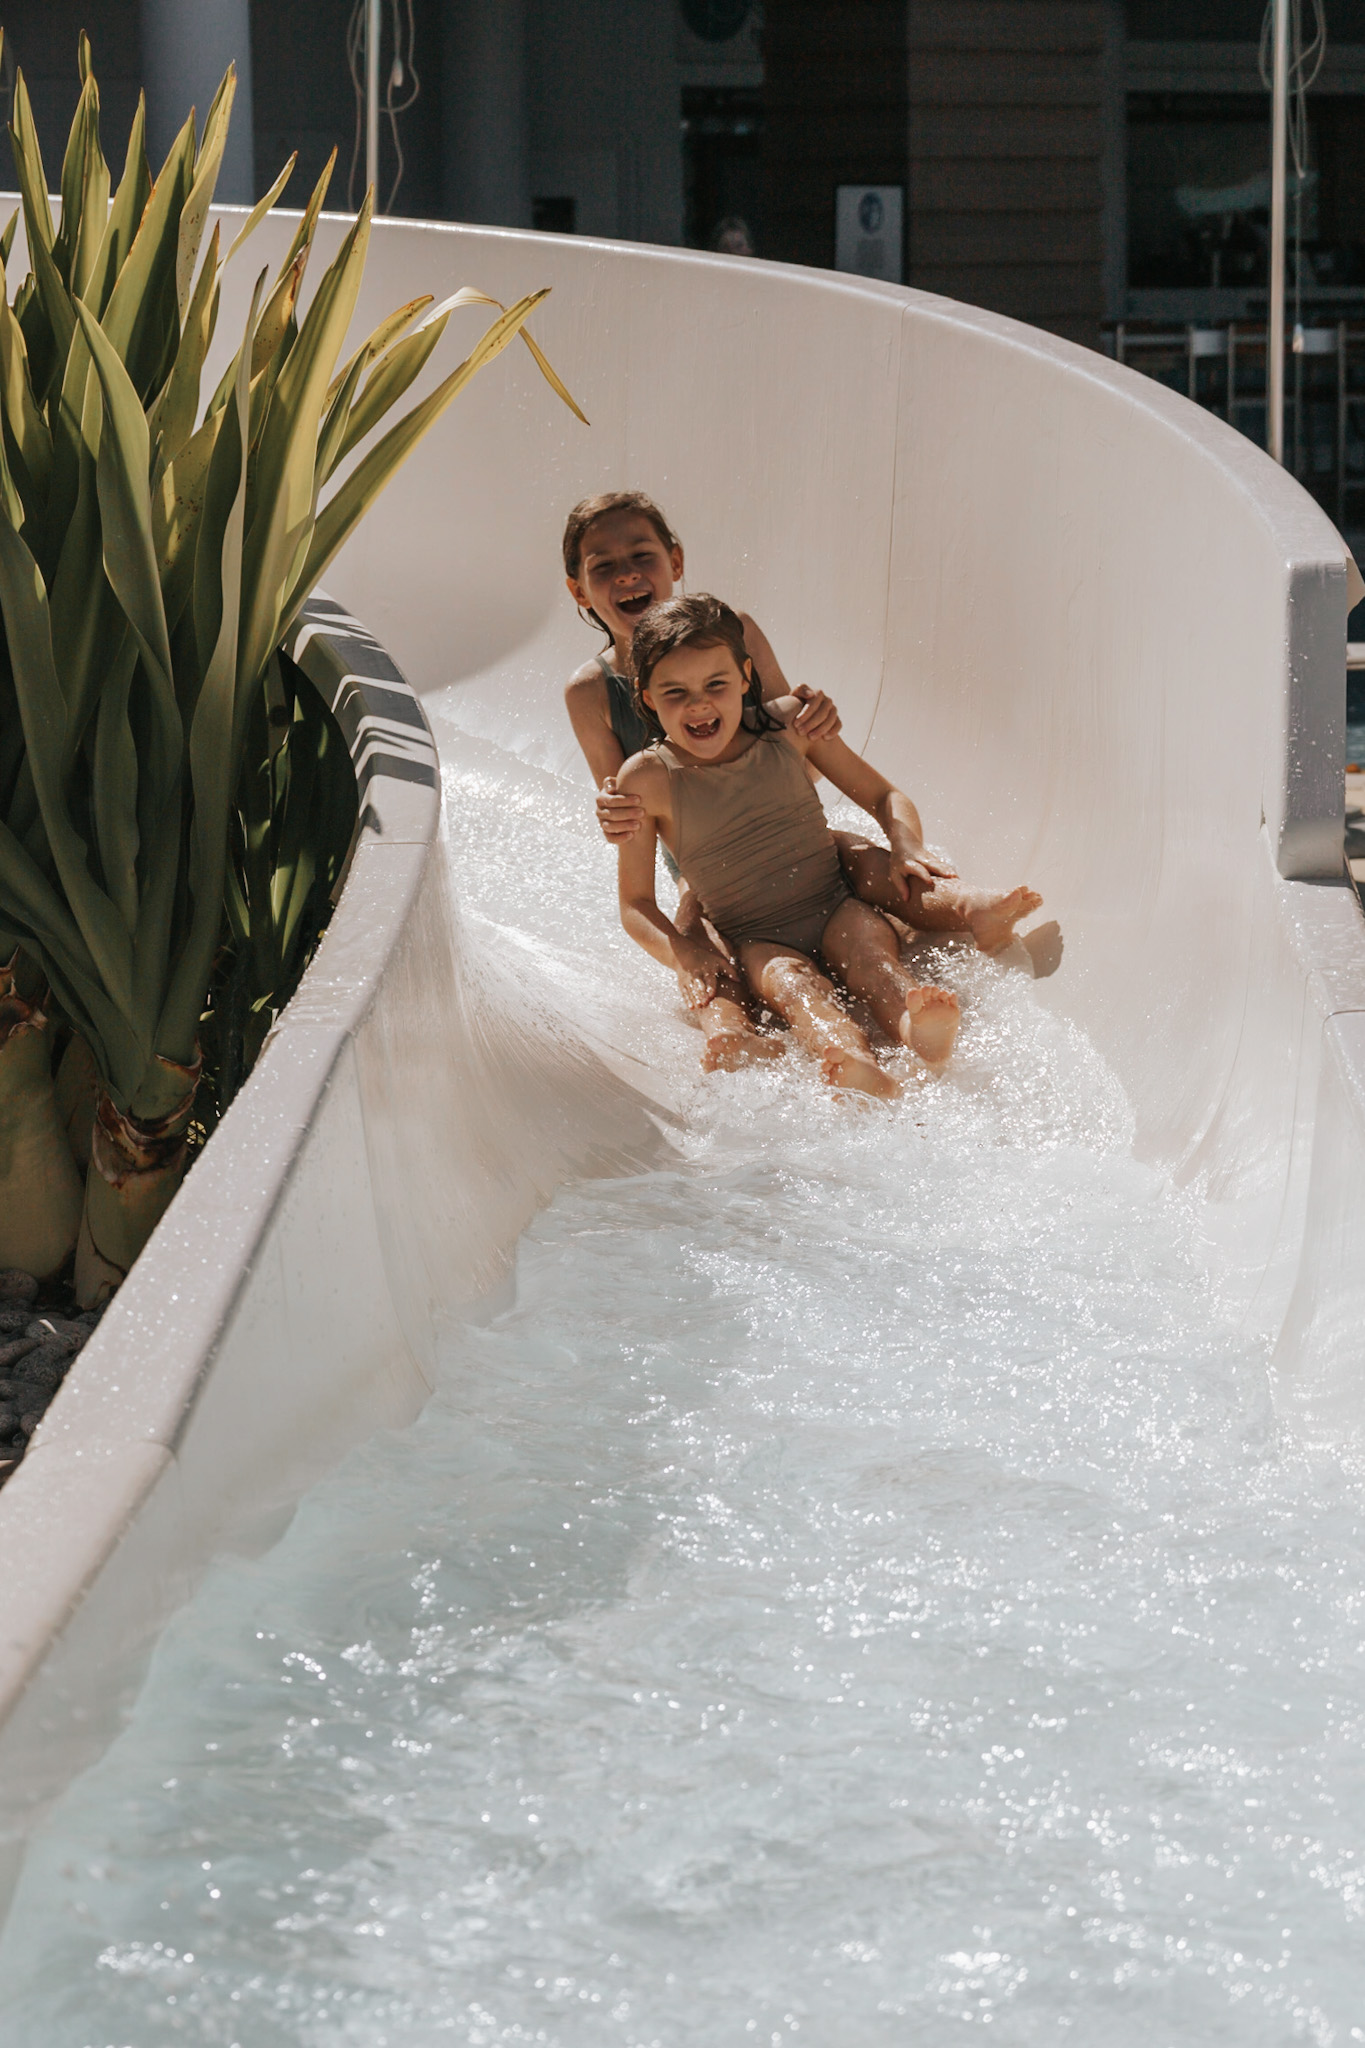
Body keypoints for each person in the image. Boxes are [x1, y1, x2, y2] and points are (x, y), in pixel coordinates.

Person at [615, 595, 1042, 1096]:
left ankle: (917, 1029)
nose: (699, 704)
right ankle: (854, 1061)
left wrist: (905, 844)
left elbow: (885, 795)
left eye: (716, 684)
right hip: (754, 937)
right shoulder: (646, 778)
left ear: (746, 677)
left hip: (833, 900)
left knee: (873, 960)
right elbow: (635, 903)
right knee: (798, 991)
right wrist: (685, 953)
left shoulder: (791, 727)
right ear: (646, 698)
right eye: (675, 692)